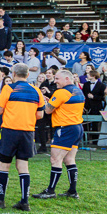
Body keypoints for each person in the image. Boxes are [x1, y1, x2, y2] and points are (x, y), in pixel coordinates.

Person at [0, 63, 46, 212]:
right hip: (27, 132)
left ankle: (0, 199)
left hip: (10, 131)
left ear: (13, 74)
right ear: (28, 75)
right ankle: (24, 201)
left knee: (4, 165)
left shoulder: (9, 89)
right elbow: (40, 115)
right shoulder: (36, 91)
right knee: (23, 166)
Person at [34, 71, 85, 200]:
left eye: (57, 78)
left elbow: (48, 110)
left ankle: (50, 190)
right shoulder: (78, 90)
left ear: (67, 78)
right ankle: (72, 191)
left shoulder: (61, 92)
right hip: (77, 127)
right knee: (69, 160)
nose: (55, 81)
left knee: (55, 160)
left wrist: (46, 101)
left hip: (65, 128)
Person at [81, 69, 105, 146]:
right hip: (87, 107)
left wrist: (94, 97)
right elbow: (83, 95)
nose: (87, 75)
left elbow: (102, 97)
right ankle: (85, 141)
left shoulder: (101, 85)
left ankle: (95, 142)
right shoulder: (86, 84)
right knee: (85, 124)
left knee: (95, 124)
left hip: (96, 107)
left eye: (88, 74)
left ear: (93, 76)